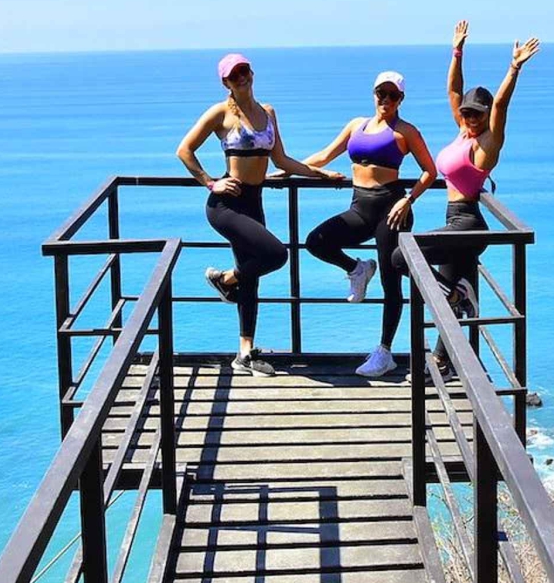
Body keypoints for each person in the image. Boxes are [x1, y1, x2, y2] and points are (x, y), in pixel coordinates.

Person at [385, 21, 541, 376]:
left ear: (486, 118)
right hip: (456, 220)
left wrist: (513, 68)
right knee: (447, 300)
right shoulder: (462, 129)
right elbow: (454, 91)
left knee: (400, 256)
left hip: (468, 223)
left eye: (476, 114)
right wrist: (457, 49)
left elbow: (500, 105)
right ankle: (444, 357)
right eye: (467, 113)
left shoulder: (487, 144)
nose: (469, 117)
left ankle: (460, 294)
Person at [176, 53, 342, 376]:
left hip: (254, 201)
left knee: (251, 278)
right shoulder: (220, 113)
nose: (242, 78)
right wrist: (211, 183)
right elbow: (184, 149)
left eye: (245, 71)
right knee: (276, 254)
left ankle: (244, 353)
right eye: (234, 75)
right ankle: (225, 279)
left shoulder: (268, 112)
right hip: (226, 205)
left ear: (252, 73)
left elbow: (281, 161)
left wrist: (320, 175)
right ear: (226, 82)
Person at [299, 70, 439, 377]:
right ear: (373, 94)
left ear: (401, 99)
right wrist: (289, 171)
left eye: (392, 95)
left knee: (392, 281)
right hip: (360, 209)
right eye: (381, 93)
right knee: (316, 241)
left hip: (392, 210)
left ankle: (384, 352)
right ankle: (357, 268)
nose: (385, 100)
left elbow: (430, 171)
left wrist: (409, 199)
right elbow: (324, 156)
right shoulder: (356, 125)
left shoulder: (406, 132)